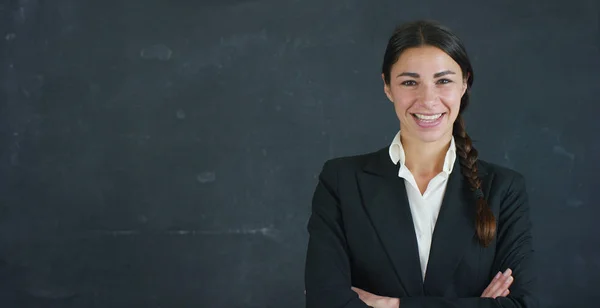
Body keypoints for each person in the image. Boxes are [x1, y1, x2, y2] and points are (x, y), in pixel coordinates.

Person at [304, 20, 536, 308]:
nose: (428, 99)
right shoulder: (341, 181)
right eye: (410, 82)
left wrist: (392, 305)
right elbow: (325, 301)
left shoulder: (504, 189)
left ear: (464, 83)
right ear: (388, 87)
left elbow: (522, 305)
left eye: (443, 81)